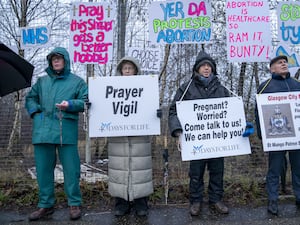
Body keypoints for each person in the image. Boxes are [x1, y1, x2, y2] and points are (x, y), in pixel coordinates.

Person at [25, 47, 88, 221]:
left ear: (66, 61)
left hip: (65, 131)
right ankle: (46, 205)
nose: (56, 61)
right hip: (42, 131)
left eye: (59, 59)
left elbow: (86, 101)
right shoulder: (41, 82)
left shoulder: (77, 82)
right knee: (44, 171)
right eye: (53, 59)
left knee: (71, 169)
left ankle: (74, 203)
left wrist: (70, 104)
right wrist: (35, 112)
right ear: (50, 62)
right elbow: (30, 98)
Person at [168, 51, 230, 216]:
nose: (206, 68)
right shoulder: (186, 88)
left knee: (217, 171)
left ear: (213, 69)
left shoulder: (222, 89)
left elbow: (232, 111)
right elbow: (174, 110)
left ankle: (216, 199)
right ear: (197, 69)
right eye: (203, 65)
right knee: (196, 172)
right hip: (195, 141)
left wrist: (242, 127)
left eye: (209, 66)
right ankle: (196, 201)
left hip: (217, 140)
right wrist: (178, 131)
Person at [108, 56, 159, 217]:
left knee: (140, 170)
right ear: (121, 71)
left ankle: (141, 203)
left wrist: (156, 113)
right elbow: (105, 110)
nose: (128, 71)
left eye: (131, 68)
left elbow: (150, 107)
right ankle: (121, 204)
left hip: (139, 137)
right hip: (118, 138)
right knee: (119, 170)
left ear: (136, 70)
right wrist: (94, 106)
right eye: (125, 68)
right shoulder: (110, 88)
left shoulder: (146, 89)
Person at [255, 55, 300, 215]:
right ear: (271, 68)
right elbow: (258, 113)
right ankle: (273, 200)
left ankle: (299, 197)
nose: (284, 64)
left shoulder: (297, 84)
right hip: (276, 138)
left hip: (297, 139)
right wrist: (262, 135)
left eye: (285, 62)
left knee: (298, 169)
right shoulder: (265, 86)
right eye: (279, 63)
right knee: (274, 171)